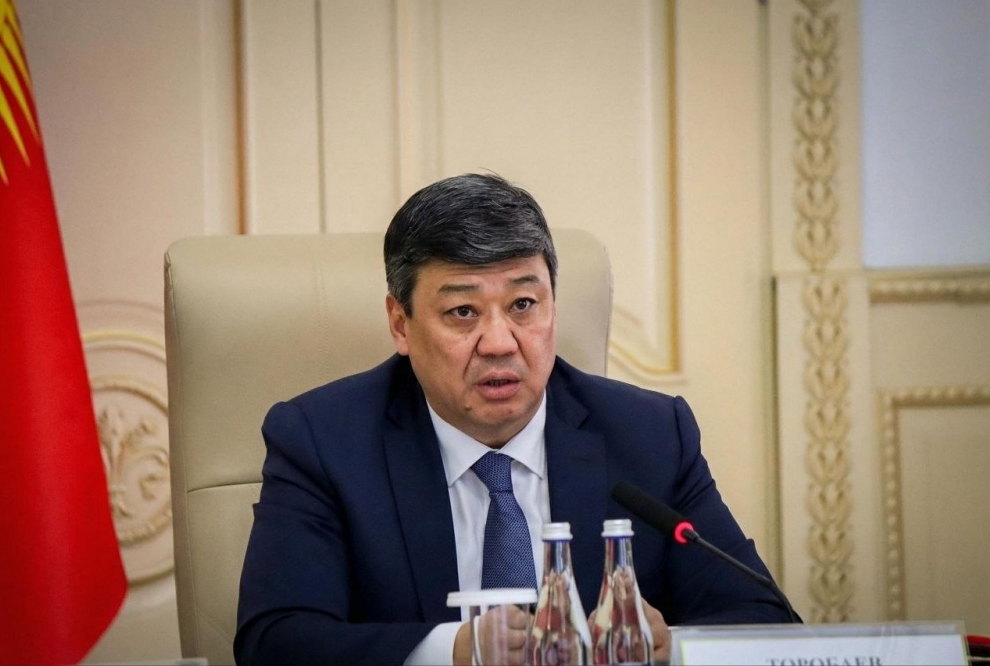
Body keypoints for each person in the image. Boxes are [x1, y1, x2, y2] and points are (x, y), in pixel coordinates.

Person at [234, 173, 793, 666]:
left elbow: (764, 624)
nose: (500, 343)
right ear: (400, 324)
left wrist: (671, 646)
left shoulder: (648, 435)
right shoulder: (323, 442)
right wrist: (454, 652)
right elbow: (276, 642)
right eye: (462, 312)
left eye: (524, 305)